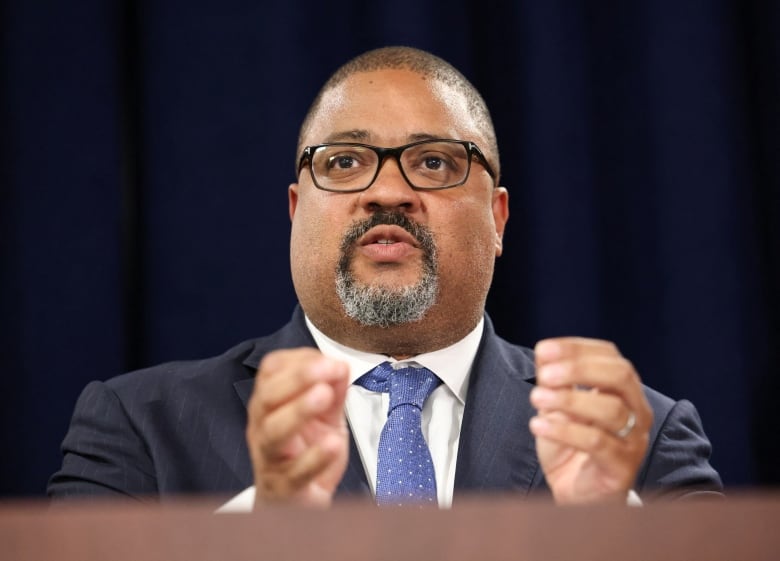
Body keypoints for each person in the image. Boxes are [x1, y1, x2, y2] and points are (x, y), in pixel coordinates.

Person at [48, 46, 722, 509]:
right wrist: (262, 531)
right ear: (295, 210)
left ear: (498, 218)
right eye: (344, 163)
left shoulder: (639, 438)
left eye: (433, 163)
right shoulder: (139, 425)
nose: (388, 191)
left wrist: (617, 534)